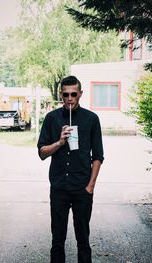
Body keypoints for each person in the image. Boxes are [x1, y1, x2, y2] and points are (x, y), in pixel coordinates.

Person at [37, 75, 104, 263]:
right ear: (61, 95)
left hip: (82, 189)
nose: (69, 98)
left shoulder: (91, 119)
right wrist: (59, 142)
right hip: (59, 188)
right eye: (66, 94)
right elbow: (42, 153)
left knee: (83, 240)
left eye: (73, 94)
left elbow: (98, 156)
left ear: (80, 94)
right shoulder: (52, 118)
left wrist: (90, 186)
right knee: (57, 240)